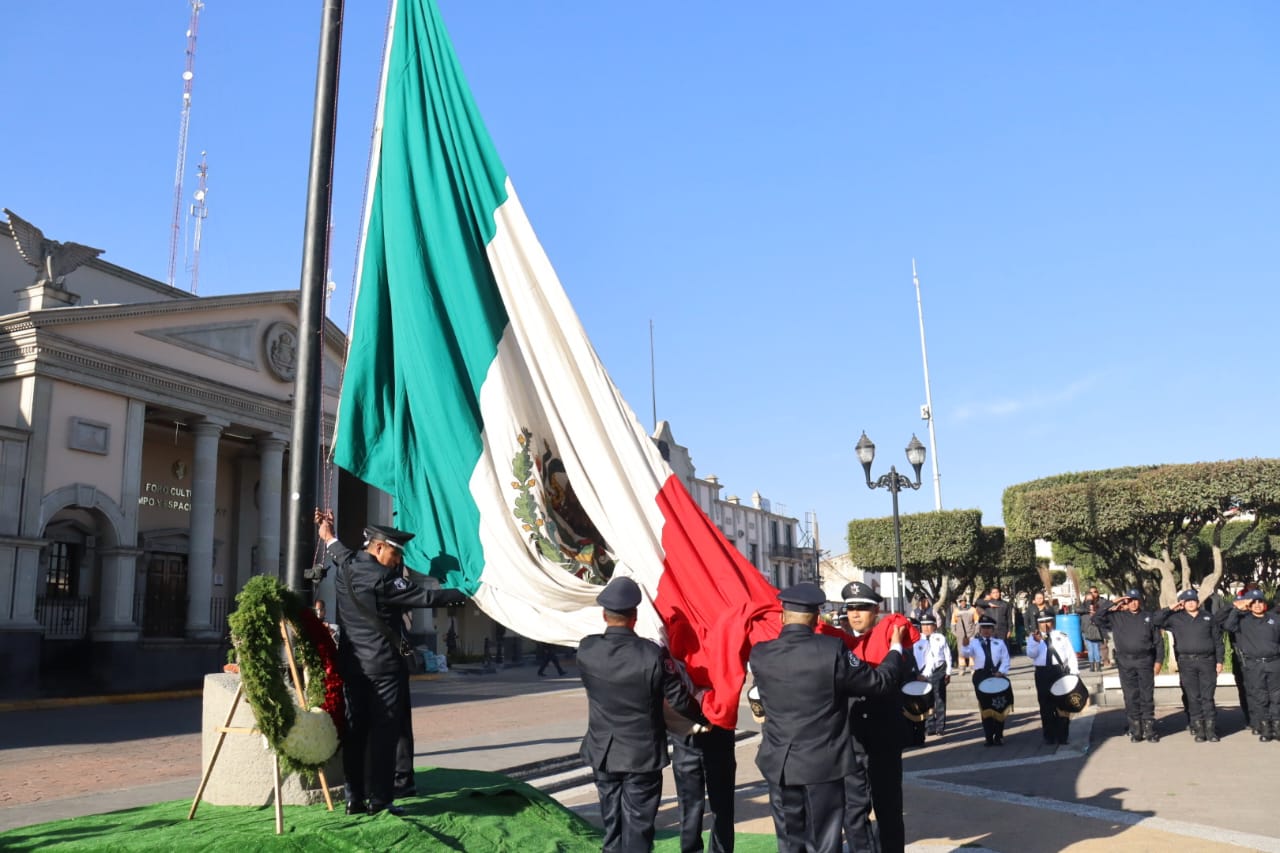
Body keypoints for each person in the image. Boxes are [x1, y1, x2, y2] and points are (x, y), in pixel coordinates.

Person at [315, 509, 467, 816]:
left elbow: (336, 548)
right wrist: (467, 592)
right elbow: (426, 598)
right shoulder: (383, 578)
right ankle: (381, 800)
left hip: (353, 665)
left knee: (355, 732)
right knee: (384, 734)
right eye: (395, 554)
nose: (398, 561)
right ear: (379, 547)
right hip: (383, 668)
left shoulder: (347, 564)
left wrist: (327, 533)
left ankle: (353, 798)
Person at [752, 583, 907, 853]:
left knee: (789, 842)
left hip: (779, 763)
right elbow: (879, 682)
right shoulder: (831, 649)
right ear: (815, 618)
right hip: (821, 764)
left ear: (781, 617)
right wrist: (895, 649)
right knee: (823, 842)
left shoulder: (761, 654)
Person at [578, 575, 704, 852]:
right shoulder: (651, 654)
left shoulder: (587, 650)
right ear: (634, 616)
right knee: (639, 826)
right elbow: (679, 700)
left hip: (603, 751)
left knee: (612, 825)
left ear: (604, 615)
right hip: (641, 754)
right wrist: (703, 718)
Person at [839, 581, 919, 853]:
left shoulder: (892, 642)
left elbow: (901, 672)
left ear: (876, 610)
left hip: (884, 738)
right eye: (850, 609)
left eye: (862, 608)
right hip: (853, 739)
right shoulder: (841, 646)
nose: (855, 614)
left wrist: (896, 647)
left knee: (888, 810)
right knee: (854, 810)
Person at [665, 660, 735, 853]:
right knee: (713, 807)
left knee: (695, 807)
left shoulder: (674, 635)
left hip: (696, 727)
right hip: (704, 725)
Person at [1094, 588, 1165, 743]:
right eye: (1129, 600)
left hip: (1145, 661)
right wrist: (1114, 601)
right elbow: (1097, 618)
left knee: (1146, 695)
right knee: (1131, 695)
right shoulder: (1117, 616)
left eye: (1136, 600)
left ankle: (1149, 729)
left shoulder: (1148, 617)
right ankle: (1136, 729)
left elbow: (1158, 642)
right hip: (1125, 661)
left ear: (1140, 601)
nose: (1133, 603)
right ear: (1125, 601)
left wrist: (1159, 661)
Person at [1153, 589, 1224, 742]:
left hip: (1207, 661)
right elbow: (1156, 620)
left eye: (1194, 600)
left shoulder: (1208, 617)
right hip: (1186, 662)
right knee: (1193, 697)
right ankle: (1198, 729)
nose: (1191, 603)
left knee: (1207, 696)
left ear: (1198, 602)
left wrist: (1219, 661)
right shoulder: (1175, 618)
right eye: (1187, 601)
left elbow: (1218, 641)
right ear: (1183, 603)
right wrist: (1171, 608)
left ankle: (1211, 730)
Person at [1218, 588, 1280, 742]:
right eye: (1253, 602)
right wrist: (1236, 608)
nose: (1257, 605)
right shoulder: (1242, 620)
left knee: (1276, 696)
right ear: (1249, 605)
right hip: (1254, 665)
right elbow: (1227, 626)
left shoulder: (1274, 619)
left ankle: (1277, 727)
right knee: (1260, 697)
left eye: (1260, 602)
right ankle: (1264, 728)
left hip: (1274, 663)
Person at [1025, 609, 1078, 745]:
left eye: (1048, 621)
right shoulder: (1033, 638)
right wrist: (1036, 642)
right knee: (1045, 706)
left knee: (1062, 705)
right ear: (1038, 624)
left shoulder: (1061, 636)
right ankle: (1049, 736)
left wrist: (1074, 673)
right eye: (1042, 622)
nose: (1045, 625)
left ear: (1053, 621)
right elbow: (1031, 654)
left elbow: (1070, 656)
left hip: (1059, 672)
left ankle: (1063, 736)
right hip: (1043, 673)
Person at [962, 614, 1012, 745]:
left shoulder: (999, 643)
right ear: (979, 629)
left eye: (989, 628)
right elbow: (966, 654)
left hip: (997, 674)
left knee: (999, 704)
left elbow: (1006, 659)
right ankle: (989, 736)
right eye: (983, 627)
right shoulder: (974, 643)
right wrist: (965, 646)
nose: (986, 630)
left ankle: (999, 735)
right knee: (985, 706)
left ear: (993, 629)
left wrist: (1001, 672)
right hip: (981, 676)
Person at [911, 614, 951, 738]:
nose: (926, 628)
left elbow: (947, 655)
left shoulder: (940, 638)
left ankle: (940, 727)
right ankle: (929, 726)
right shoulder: (917, 640)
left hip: (939, 671)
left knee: (939, 699)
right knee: (926, 700)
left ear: (934, 625)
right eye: (923, 625)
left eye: (929, 625)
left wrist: (948, 671)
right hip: (923, 674)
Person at [951, 595, 978, 673]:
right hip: (960, 635)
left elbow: (977, 622)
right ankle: (962, 668)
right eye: (960, 601)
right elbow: (953, 623)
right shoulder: (956, 611)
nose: (962, 603)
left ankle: (972, 667)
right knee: (961, 651)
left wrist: (976, 632)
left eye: (963, 601)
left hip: (971, 633)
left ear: (966, 601)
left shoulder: (973, 610)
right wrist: (955, 633)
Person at [1080, 601, 1104, 672]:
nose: (1091, 609)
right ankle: (1096, 667)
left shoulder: (1085, 616)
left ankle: (1093, 667)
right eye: (1090, 608)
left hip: (1090, 634)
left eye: (1092, 607)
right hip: (1091, 634)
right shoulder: (1094, 615)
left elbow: (1082, 626)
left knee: (1094, 650)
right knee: (1093, 650)